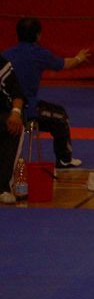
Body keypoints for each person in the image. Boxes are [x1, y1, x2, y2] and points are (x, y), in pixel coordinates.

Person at [3, 17, 89, 168]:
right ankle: (64, 159)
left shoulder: (5, 54)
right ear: (38, 35)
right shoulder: (39, 54)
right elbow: (65, 64)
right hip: (26, 111)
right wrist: (79, 58)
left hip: (5, 110)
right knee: (61, 117)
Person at [0, 55, 25, 204]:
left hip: (2, 114)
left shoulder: (1, 64)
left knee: (15, 127)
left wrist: (16, 112)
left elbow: (17, 92)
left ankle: (3, 187)